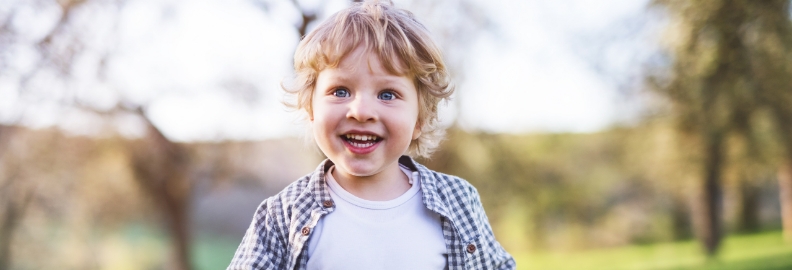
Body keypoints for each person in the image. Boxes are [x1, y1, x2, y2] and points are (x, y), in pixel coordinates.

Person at [227, 1, 515, 269]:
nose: (361, 111)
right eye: (340, 91)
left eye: (387, 94)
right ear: (310, 107)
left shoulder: (458, 202)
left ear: (420, 118)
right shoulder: (282, 216)